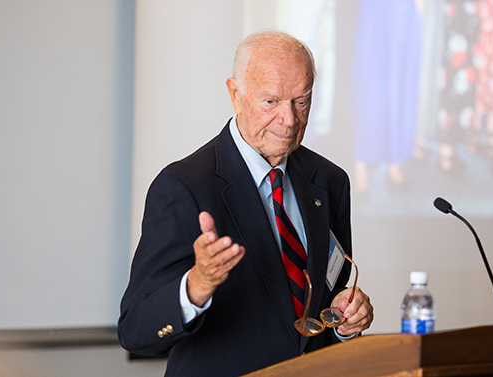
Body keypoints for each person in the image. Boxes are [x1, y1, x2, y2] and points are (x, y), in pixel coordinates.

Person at [118, 30, 374, 377]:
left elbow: (326, 297)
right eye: (271, 102)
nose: (290, 120)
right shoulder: (183, 186)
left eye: (301, 101)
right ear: (235, 95)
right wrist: (196, 285)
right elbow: (135, 330)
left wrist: (344, 320)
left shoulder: (329, 181)